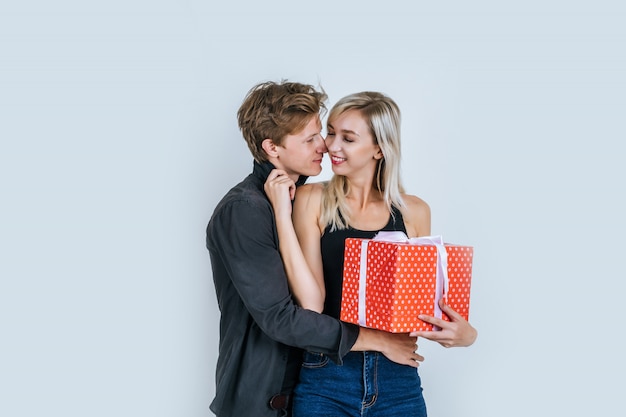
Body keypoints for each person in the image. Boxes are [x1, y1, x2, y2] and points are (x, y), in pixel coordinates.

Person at [205, 81, 424, 417]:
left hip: (334, 383)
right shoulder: (246, 210)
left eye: (326, 133)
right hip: (267, 396)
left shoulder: (293, 196)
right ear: (272, 148)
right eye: (313, 138)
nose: (325, 145)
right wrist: (379, 340)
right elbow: (283, 317)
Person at [264, 91, 477, 417]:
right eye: (331, 132)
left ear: (379, 148)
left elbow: (423, 308)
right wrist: (282, 214)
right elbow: (312, 305)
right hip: (327, 375)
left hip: (398, 378)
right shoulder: (312, 199)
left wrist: (465, 334)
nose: (331, 146)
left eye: (347, 138)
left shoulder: (414, 212)